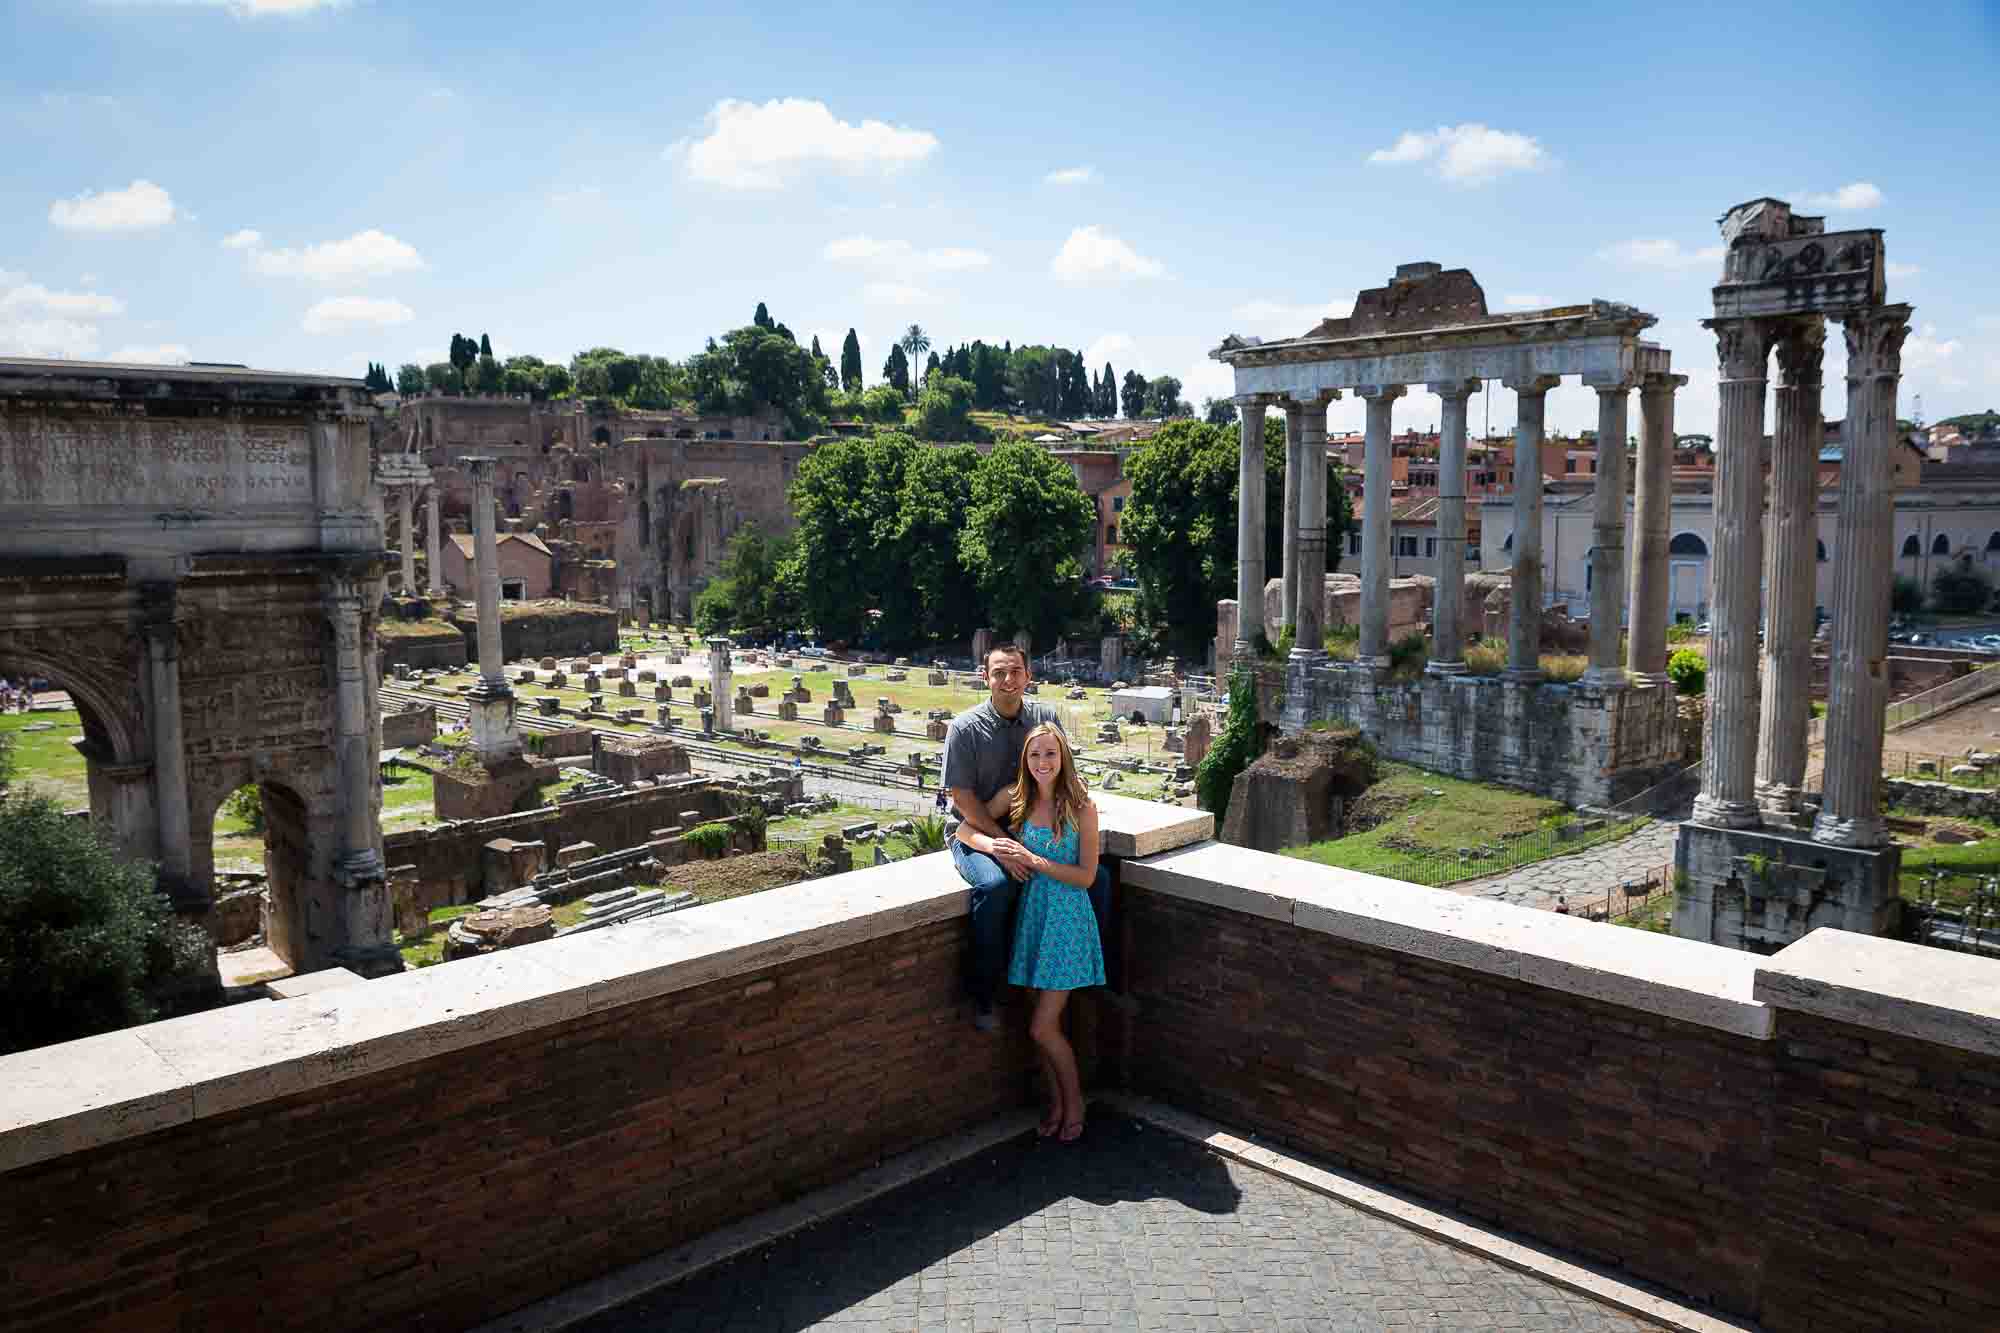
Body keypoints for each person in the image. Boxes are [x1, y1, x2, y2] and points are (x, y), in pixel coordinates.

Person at [960, 722, 1103, 1141]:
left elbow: (1087, 876)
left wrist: (1033, 860)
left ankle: (1075, 1103)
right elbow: (964, 828)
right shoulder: (1015, 798)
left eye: (1051, 754)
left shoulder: (1081, 807)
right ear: (1026, 759)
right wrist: (997, 848)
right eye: (1035, 754)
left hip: (1066, 922)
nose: (1043, 762)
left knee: (1042, 1026)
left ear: (1064, 759)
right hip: (1031, 919)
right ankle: (1057, 1105)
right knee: (1040, 1026)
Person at [944, 642, 1068, 1030]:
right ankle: (983, 993)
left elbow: (1065, 778)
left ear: (1028, 676)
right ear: (985, 678)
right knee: (995, 887)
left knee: (1095, 878)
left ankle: (1092, 973)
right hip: (975, 832)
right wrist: (1005, 846)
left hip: (1032, 829)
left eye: (1015, 671)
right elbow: (962, 800)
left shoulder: (1045, 718)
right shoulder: (964, 728)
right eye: (999, 672)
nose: (1008, 679)